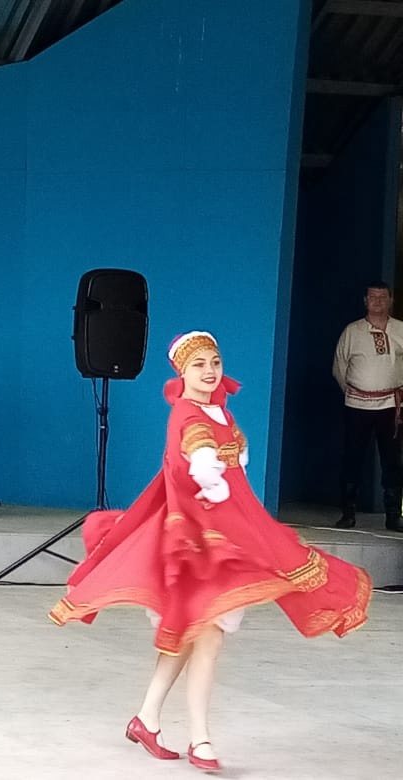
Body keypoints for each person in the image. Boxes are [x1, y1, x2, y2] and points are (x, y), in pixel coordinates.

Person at [50, 331, 371, 772]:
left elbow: (230, 461)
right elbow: (198, 453)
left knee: (191, 633)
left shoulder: (219, 411)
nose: (209, 370)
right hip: (198, 544)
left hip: (226, 534)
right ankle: (200, 739)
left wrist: (231, 478)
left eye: (214, 362)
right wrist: (211, 477)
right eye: (198, 364)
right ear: (182, 372)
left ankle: (147, 718)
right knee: (208, 635)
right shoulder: (188, 413)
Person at [332, 281, 403, 531]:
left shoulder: (400, 329)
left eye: (383, 297)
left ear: (390, 300)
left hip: (391, 405)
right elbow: (339, 366)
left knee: (392, 460)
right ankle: (348, 513)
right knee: (353, 457)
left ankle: (393, 515)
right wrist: (355, 391)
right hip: (357, 405)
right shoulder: (352, 331)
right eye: (373, 297)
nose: (378, 301)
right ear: (365, 301)